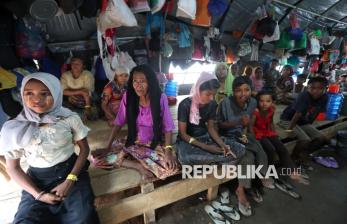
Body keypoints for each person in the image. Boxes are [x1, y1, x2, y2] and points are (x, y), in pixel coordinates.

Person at [0, 73, 99, 224]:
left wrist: (69, 181)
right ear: (22, 95)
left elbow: (84, 150)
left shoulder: (69, 118)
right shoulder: (14, 128)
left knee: (83, 218)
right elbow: (13, 168)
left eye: (44, 94)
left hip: (71, 172)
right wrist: (39, 195)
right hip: (37, 180)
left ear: (56, 93)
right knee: (26, 220)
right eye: (29, 93)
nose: (36, 99)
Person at [91, 65, 178, 180]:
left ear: (150, 82)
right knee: (98, 159)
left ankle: (135, 158)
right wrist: (107, 147)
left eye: (142, 81)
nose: (138, 85)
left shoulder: (160, 98)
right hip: (134, 140)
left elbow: (168, 127)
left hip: (154, 141)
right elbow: (119, 121)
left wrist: (168, 151)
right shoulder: (129, 96)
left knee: (170, 168)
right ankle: (138, 166)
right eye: (135, 81)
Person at [217, 76, 274, 216]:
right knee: (247, 157)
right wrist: (237, 122)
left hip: (240, 134)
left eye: (246, 90)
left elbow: (248, 121)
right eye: (238, 90)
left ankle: (261, 175)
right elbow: (218, 125)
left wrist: (249, 133)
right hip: (226, 137)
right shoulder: (225, 103)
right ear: (233, 91)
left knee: (257, 145)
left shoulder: (253, 102)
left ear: (251, 90)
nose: (243, 94)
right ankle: (241, 191)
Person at [176, 71, 245, 165]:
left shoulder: (212, 104)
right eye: (208, 94)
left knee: (240, 149)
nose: (212, 98)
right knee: (186, 157)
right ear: (198, 90)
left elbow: (211, 128)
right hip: (189, 140)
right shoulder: (185, 105)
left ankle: (214, 160)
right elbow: (183, 134)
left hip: (205, 136)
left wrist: (223, 145)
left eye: (214, 94)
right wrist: (206, 147)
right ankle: (220, 160)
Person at [249, 91, 309, 185]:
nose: (264, 103)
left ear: (272, 102)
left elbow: (271, 122)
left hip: (267, 132)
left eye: (268, 101)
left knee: (281, 147)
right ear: (258, 102)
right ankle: (268, 172)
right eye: (261, 101)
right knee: (270, 149)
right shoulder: (255, 112)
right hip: (257, 133)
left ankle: (292, 171)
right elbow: (250, 127)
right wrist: (254, 140)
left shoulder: (272, 109)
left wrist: (274, 134)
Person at [279, 76, 330, 166]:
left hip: (302, 121)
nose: (315, 91)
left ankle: (304, 155)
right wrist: (289, 130)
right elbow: (297, 114)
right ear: (308, 87)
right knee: (305, 140)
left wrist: (309, 124)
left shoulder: (325, 97)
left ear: (325, 89)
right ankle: (291, 160)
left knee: (322, 138)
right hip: (288, 119)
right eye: (313, 88)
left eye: (320, 88)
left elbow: (316, 112)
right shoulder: (304, 95)